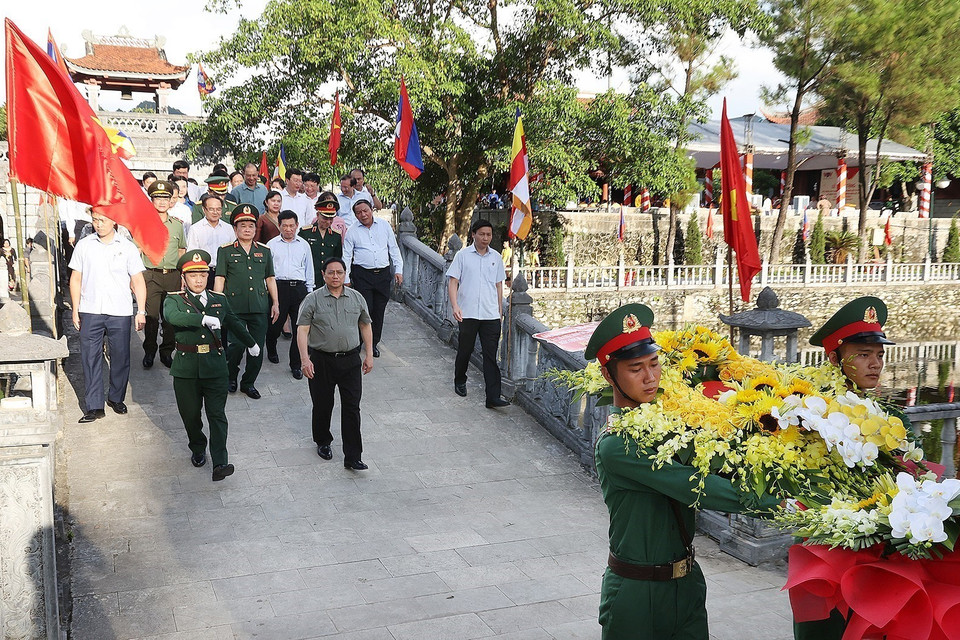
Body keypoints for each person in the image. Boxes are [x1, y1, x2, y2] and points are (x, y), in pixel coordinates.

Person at [587, 304, 781, 640]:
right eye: (635, 369)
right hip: (637, 592)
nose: (650, 378)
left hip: (687, 583)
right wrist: (773, 501)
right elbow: (696, 486)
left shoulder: (670, 423)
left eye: (654, 364)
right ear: (608, 374)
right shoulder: (617, 446)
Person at [798, 296, 909, 640]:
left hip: (875, 548)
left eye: (879, 355)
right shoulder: (808, 417)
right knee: (820, 630)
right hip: (823, 549)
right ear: (833, 358)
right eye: (862, 354)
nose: (874, 364)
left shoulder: (892, 419)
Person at [164, 250, 258, 482]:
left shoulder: (219, 300)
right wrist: (201, 319)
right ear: (184, 278)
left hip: (215, 368)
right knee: (190, 415)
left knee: (217, 415)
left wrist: (251, 344)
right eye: (193, 276)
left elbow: (234, 323)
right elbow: (172, 317)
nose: (198, 280)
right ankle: (197, 447)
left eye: (203, 275)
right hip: (186, 369)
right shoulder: (174, 300)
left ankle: (220, 462)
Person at [68, 212, 147, 423]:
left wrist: (140, 311)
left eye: (103, 220)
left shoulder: (127, 247)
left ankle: (116, 398)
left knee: (120, 356)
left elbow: (138, 280)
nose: (98, 224)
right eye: (95, 220)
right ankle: (94, 406)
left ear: (114, 220)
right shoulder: (84, 245)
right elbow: (76, 278)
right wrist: (75, 309)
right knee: (90, 357)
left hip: (119, 310)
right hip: (91, 309)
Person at [297, 256, 374, 470]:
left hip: (350, 360)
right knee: (323, 404)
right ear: (323, 274)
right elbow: (302, 330)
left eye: (339, 272)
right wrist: (305, 359)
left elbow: (365, 325)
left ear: (345, 273)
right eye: (330, 272)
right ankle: (323, 441)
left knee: (352, 407)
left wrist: (368, 355)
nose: (335, 276)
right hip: (322, 359)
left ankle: (353, 456)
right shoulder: (313, 299)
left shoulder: (357, 298)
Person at [215, 205, 280, 399]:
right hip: (235, 308)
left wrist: (275, 302)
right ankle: (231, 378)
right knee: (235, 347)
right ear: (235, 229)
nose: (247, 229)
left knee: (257, 349)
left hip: (259, 307)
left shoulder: (264, 251)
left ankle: (248, 383)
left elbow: (270, 278)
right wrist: (218, 304)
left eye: (251, 226)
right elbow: (220, 278)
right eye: (242, 226)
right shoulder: (225, 251)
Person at [447, 219, 509, 408]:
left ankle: (493, 396)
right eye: (482, 234)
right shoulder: (463, 256)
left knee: (490, 356)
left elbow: (499, 285)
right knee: (465, 349)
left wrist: (499, 311)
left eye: (489, 235)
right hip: (468, 313)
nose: (485, 238)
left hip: (490, 314)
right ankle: (460, 379)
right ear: (473, 234)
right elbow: (453, 281)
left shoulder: (496, 257)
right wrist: (455, 305)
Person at [342, 200, 403, 358]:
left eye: (365, 210)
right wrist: (346, 277)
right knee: (364, 310)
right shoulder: (352, 231)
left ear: (371, 209)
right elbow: (347, 255)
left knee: (378, 311)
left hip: (382, 274)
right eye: (359, 212)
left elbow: (394, 249)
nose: (363, 214)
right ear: (355, 215)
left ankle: (373, 343)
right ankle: (359, 341)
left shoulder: (384, 226)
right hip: (362, 275)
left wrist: (399, 270)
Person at [141, 181, 187, 369]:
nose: (161, 202)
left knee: (170, 319)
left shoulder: (177, 225)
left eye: (165, 198)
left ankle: (167, 351)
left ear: (171, 201)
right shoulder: (143, 222)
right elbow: (137, 252)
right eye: (158, 198)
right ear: (151, 200)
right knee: (151, 318)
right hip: (151, 275)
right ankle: (149, 351)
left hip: (173, 276)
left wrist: (183, 276)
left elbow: (181, 250)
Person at [266, 210, 314, 378]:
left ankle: (296, 364)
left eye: (291, 226)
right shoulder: (271, 245)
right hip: (278, 288)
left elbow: (309, 269)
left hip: (299, 289)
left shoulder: (304, 244)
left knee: (299, 327)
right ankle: (271, 347)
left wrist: (310, 291)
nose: (288, 229)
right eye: (284, 226)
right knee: (274, 325)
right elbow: (268, 271)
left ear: (297, 226)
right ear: (279, 226)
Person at [186, 194, 236, 287]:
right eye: (211, 209)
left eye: (218, 209)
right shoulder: (195, 229)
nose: (215, 212)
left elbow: (233, 251)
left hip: (225, 272)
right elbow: (192, 252)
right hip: (204, 272)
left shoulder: (228, 228)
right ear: (204, 210)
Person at [299, 193, 343, 276]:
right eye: (325, 218)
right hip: (310, 275)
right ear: (318, 215)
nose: (328, 222)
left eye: (331, 219)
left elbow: (337, 258)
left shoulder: (336, 235)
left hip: (328, 277)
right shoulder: (305, 232)